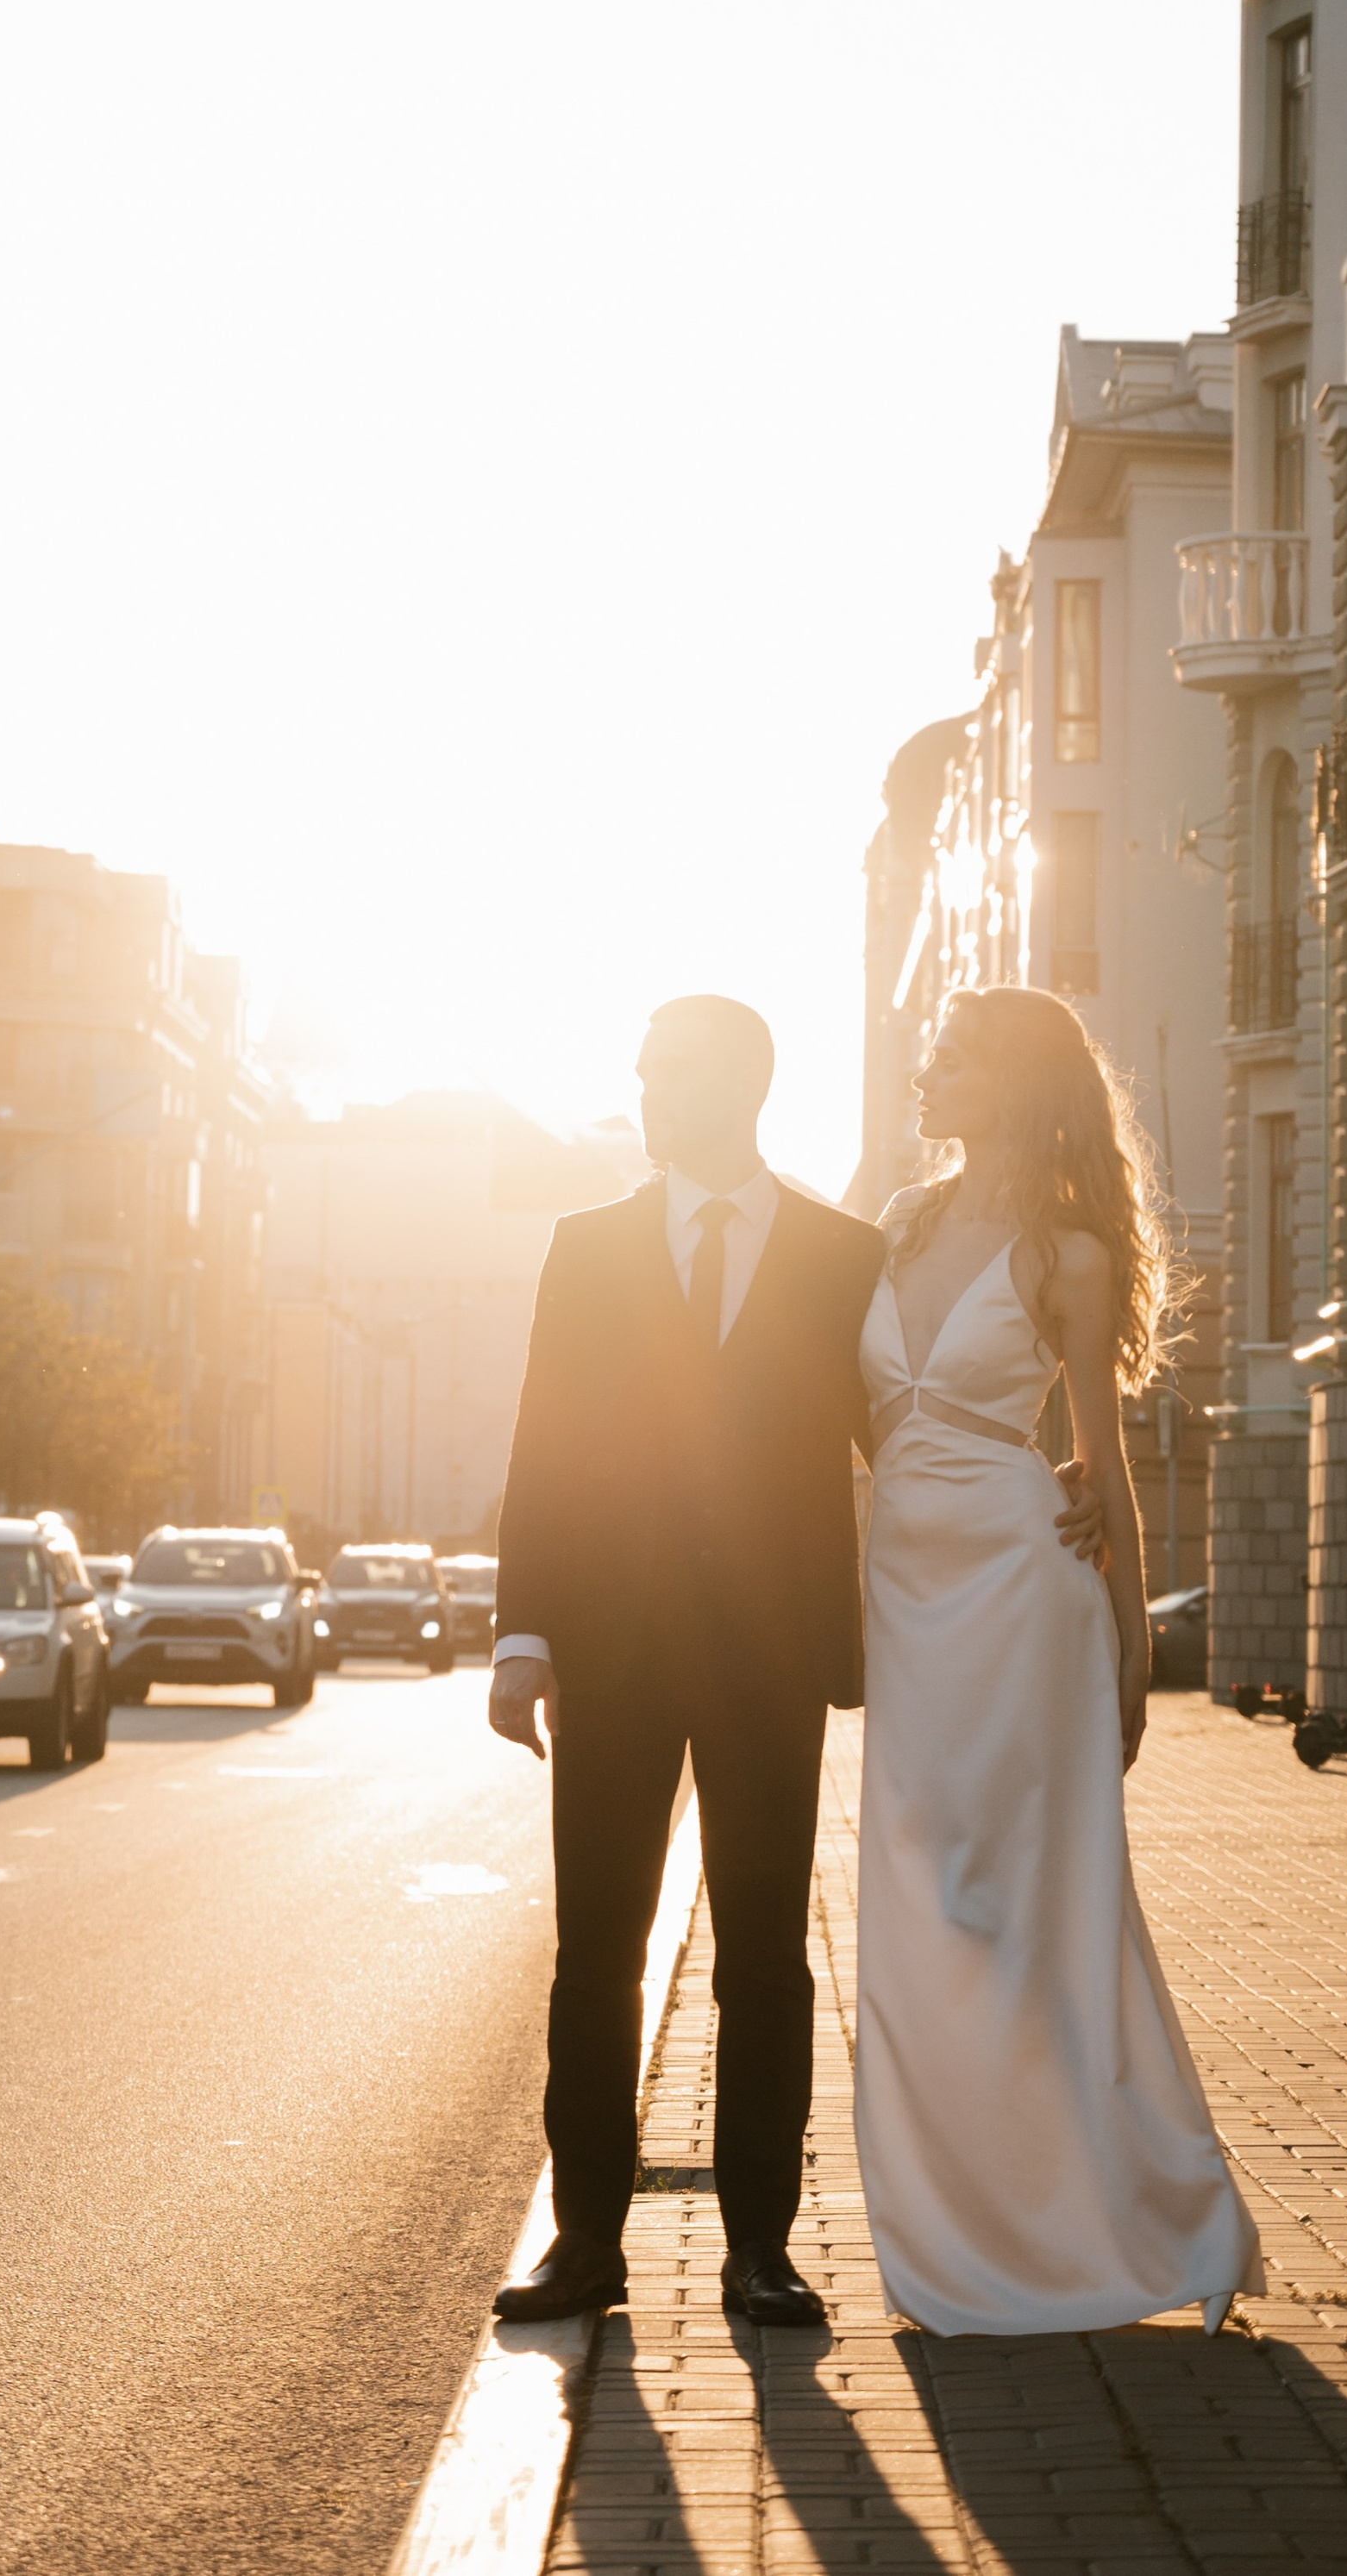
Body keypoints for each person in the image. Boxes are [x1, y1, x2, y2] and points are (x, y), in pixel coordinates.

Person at [855, 984, 1262, 2335]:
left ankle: (1150, 2218)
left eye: (954, 1060)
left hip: (1027, 1604)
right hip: (908, 1612)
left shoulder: (1069, 1254)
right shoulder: (899, 1228)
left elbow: (1110, 1467)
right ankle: (966, 2222)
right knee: (927, 1913)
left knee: (1038, 1914)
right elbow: (860, 1425)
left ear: (1017, 1083)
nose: (927, 1074)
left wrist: (1132, 1653)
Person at [486, 995, 893, 2328]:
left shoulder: (846, 1255)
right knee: (593, 1952)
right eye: (645, 1076)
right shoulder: (587, 1247)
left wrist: (1020, 1497)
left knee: (766, 1960)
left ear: (743, 1089)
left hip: (772, 1659)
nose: (649, 1097)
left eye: (670, 1076)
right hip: (608, 1653)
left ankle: (758, 2252)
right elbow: (546, 1443)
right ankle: (583, 2244)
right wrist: (523, 1634)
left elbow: (900, 1439)